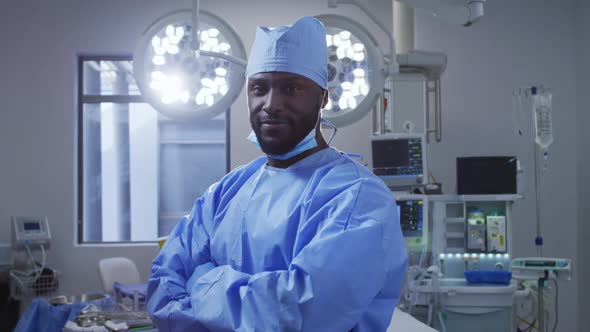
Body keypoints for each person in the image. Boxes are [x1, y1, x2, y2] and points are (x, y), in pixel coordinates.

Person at [147, 16, 407, 331]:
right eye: (259, 88)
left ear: (323, 97)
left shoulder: (357, 198)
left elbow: (301, 314)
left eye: (291, 88)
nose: (271, 104)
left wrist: (205, 282)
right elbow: (162, 287)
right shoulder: (225, 192)